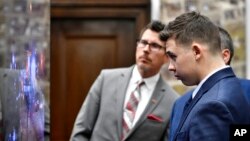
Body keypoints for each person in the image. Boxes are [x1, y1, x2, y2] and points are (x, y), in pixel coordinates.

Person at [70, 20, 179, 141]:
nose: (146, 49)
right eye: (143, 42)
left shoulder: (173, 101)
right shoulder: (106, 79)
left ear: (166, 57)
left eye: (154, 46)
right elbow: (81, 131)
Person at [162, 11, 250, 141]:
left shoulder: (212, 106)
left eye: (173, 57)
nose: (170, 67)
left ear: (196, 52)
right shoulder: (232, 88)